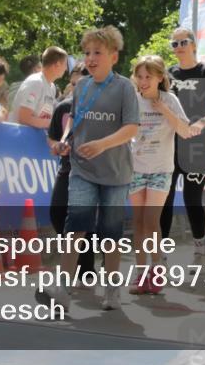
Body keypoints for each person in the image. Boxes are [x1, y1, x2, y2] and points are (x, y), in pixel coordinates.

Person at [36, 26, 140, 312]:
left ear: (114, 57)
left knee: (110, 232)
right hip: (81, 170)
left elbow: (131, 127)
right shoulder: (81, 87)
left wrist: (103, 144)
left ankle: (112, 290)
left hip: (116, 173)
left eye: (98, 53)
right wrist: (65, 143)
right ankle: (63, 290)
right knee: (75, 227)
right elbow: (75, 123)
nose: (91, 58)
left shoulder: (124, 88)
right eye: (87, 53)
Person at [160, 27, 205, 262]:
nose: (178, 47)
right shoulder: (168, 74)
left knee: (192, 200)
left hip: (198, 147)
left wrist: (202, 123)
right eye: (174, 44)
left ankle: (199, 245)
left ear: (193, 45)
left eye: (183, 42)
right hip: (170, 145)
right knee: (165, 199)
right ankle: (161, 251)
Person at [128, 55, 192, 295]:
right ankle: (140, 273)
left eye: (148, 77)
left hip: (161, 169)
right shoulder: (131, 100)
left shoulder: (170, 100)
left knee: (151, 221)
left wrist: (163, 109)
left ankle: (156, 269)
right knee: (137, 223)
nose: (143, 82)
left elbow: (185, 131)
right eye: (140, 77)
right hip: (134, 168)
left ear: (160, 77)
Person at [46, 72, 96, 279]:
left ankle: (85, 269)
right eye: (74, 83)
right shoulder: (63, 107)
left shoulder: (102, 108)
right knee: (57, 213)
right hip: (67, 168)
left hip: (93, 171)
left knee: (83, 219)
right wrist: (57, 146)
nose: (76, 88)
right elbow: (51, 138)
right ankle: (76, 261)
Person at [10, 47, 69, 129]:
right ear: (57, 64)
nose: (66, 69)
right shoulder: (35, 82)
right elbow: (24, 118)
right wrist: (52, 124)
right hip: (20, 138)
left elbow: (44, 116)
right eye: (65, 64)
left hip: (34, 138)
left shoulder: (51, 87)